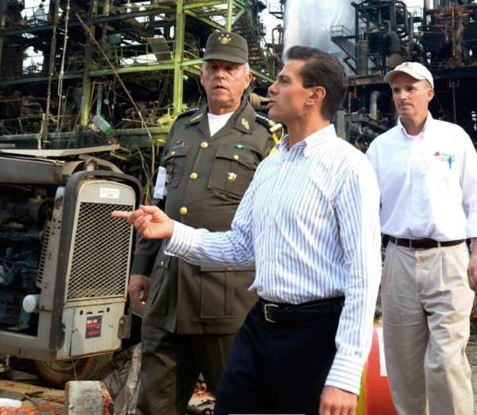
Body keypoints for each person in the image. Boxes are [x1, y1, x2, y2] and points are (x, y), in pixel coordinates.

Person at [115, 45, 381, 415]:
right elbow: (241, 246)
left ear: (314, 96)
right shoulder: (272, 165)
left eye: (284, 81)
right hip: (260, 324)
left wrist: (346, 374)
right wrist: (173, 230)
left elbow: (364, 275)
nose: (271, 88)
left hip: (314, 331)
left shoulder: (348, 167)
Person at [128, 30, 277, 415]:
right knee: (154, 404)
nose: (220, 75)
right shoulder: (183, 127)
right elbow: (159, 199)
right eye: (213, 67)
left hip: (226, 297)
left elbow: (274, 218)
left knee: (238, 402)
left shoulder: (266, 136)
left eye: (231, 68)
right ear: (201, 73)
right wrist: (140, 269)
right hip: (167, 291)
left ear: (248, 78)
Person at [366, 61, 477, 415]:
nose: (402, 96)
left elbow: (474, 197)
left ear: (429, 92)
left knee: (445, 361)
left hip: (449, 258)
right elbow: (366, 206)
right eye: (396, 90)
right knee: (404, 364)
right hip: (398, 258)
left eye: (410, 88)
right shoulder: (380, 149)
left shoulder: (454, 139)